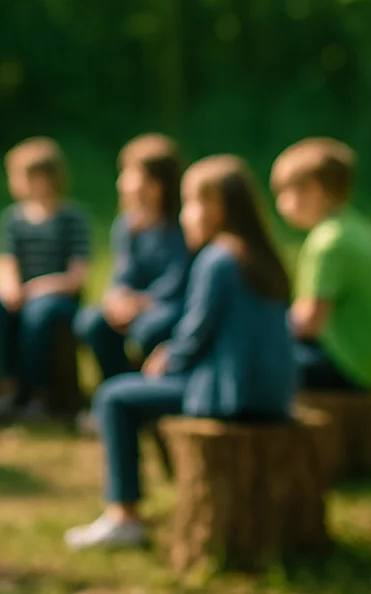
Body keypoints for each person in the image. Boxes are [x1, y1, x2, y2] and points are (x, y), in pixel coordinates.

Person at [65, 155, 294, 550]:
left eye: (190, 204)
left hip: (229, 397)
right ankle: (166, 479)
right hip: (272, 395)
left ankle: (124, 515)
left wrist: (169, 357)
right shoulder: (261, 256)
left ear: (216, 209)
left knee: (114, 397)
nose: (185, 216)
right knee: (138, 393)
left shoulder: (217, 259)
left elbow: (196, 331)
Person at [271, 138, 371, 391]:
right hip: (366, 361)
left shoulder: (328, 242)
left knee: (254, 364)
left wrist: (262, 329)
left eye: (285, 192)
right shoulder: (354, 226)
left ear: (314, 190)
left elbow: (308, 322)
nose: (280, 203)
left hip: (344, 364)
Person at [0, 138, 92, 418]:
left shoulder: (73, 218)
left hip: (59, 298)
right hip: (23, 293)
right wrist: (9, 288)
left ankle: (39, 392)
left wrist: (38, 289)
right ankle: (8, 386)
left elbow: (77, 277)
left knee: (38, 316)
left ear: (45, 178)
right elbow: (6, 261)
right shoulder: (13, 219)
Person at [75, 135, 189, 381]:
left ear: (156, 184)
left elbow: (177, 280)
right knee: (92, 323)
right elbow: (123, 273)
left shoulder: (180, 226)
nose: (121, 183)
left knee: (151, 329)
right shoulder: (127, 225)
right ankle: (117, 383)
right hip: (136, 305)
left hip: (172, 305)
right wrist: (118, 298)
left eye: (129, 175)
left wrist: (140, 303)